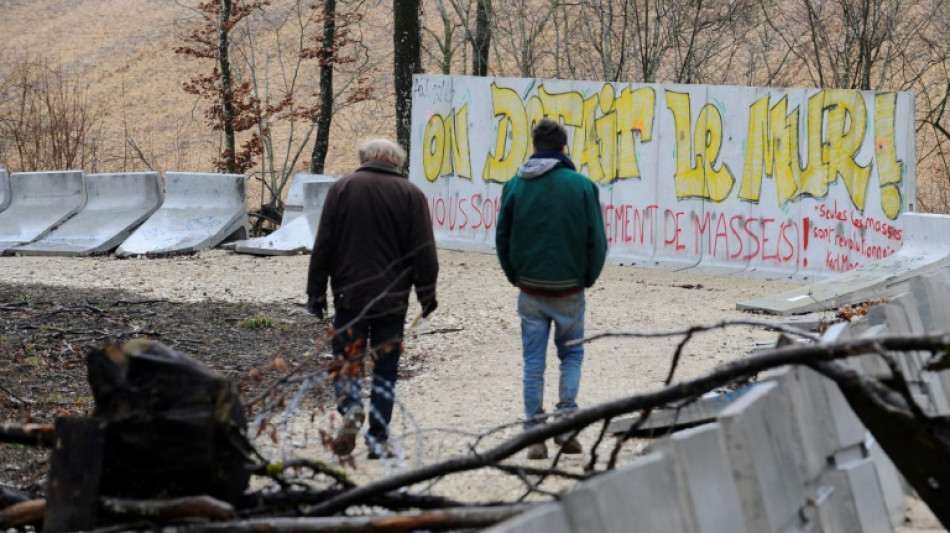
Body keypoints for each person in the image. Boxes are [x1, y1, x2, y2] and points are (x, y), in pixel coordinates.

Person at [306, 138, 439, 460]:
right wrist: (427, 293)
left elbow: (324, 243)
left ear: (363, 157)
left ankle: (351, 406)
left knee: (347, 361)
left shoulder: (342, 189)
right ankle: (378, 438)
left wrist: (315, 292)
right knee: (386, 368)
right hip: (392, 299)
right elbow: (423, 250)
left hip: (349, 296)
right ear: (397, 162)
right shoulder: (411, 195)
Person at [495, 118, 608, 460]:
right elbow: (597, 241)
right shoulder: (582, 186)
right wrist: (587, 277)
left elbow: (502, 237)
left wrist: (514, 275)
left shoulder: (514, 185)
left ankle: (535, 434)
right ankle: (567, 424)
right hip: (569, 289)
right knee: (571, 355)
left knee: (533, 362)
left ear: (533, 148)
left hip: (530, 289)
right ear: (563, 149)